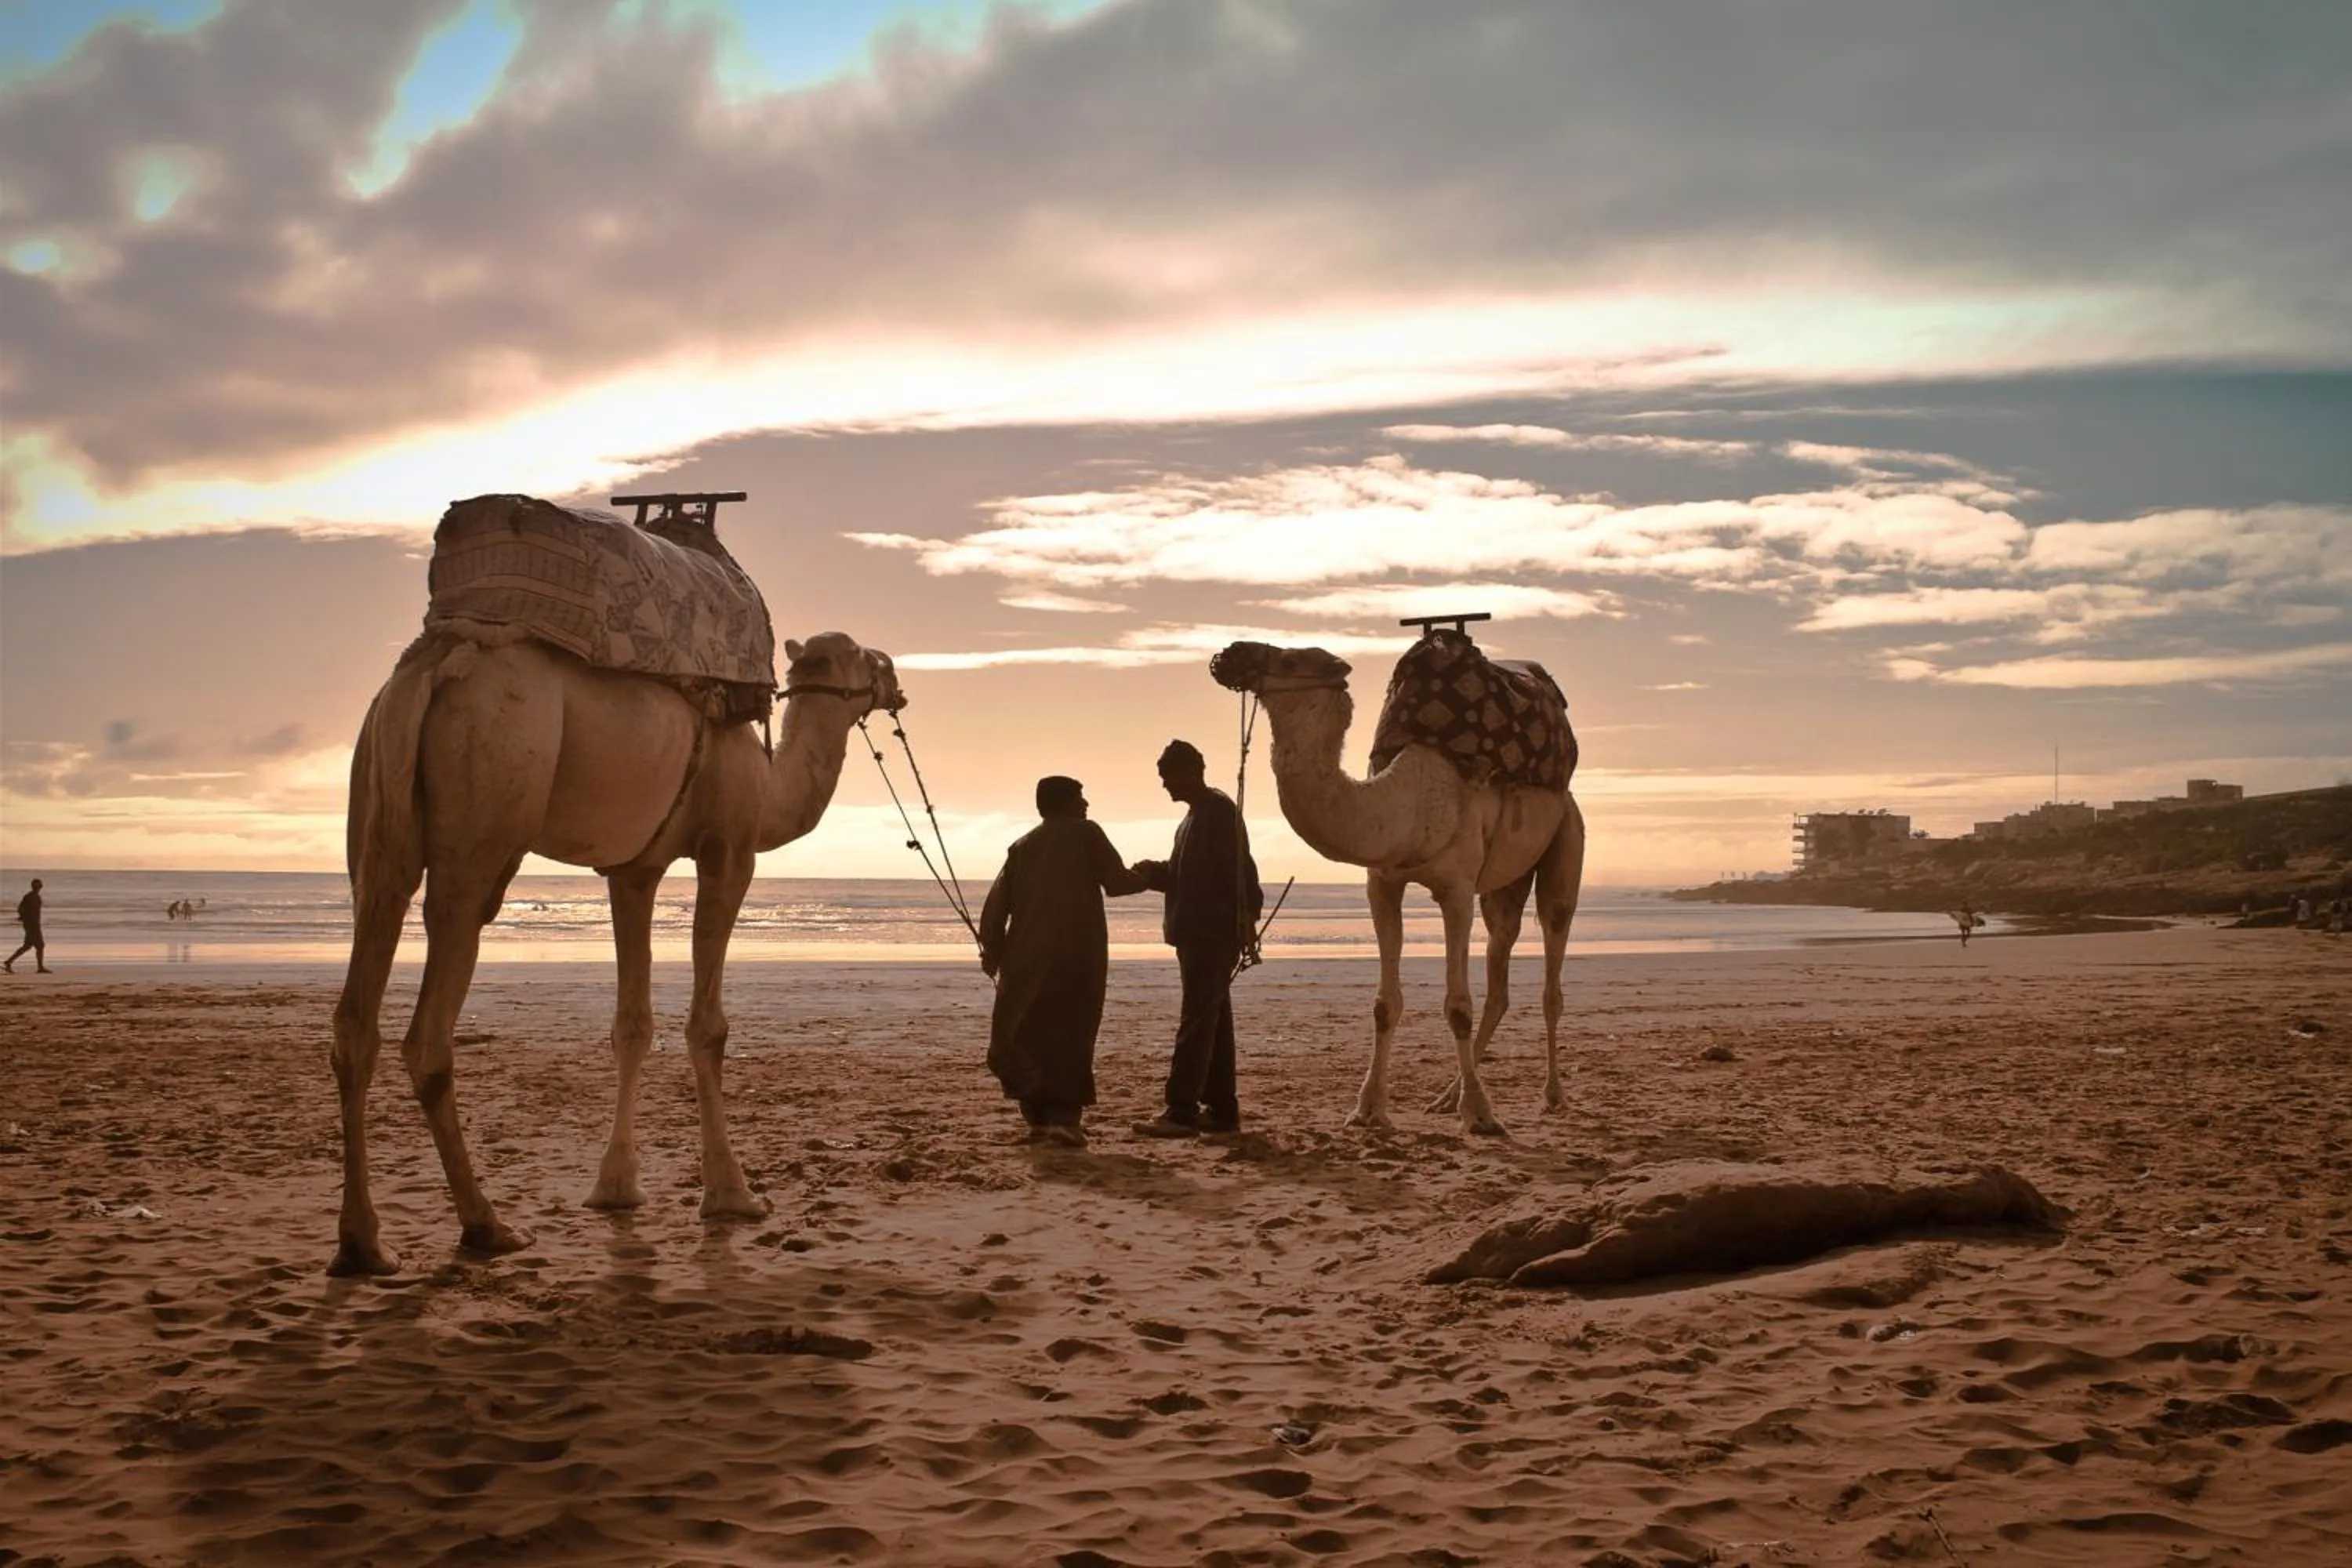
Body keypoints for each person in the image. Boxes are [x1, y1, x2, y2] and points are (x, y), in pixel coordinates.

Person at [977, 776, 1149, 1148]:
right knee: (1071, 1036)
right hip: (1075, 955)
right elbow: (1117, 882)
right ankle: (1065, 1123)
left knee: (1028, 1034)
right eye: (1080, 798)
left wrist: (991, 951)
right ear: (1065, 804)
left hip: (1023, 958)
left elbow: (995, 906)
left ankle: (1037, 1121)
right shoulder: (1087, 833)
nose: (1086, 804)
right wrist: (1154, 874)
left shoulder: (1021, 846)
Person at [1130, 740, 1262, 1140]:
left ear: (1190, 771)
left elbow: (1241, 871)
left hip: (1210, 933)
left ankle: (1181, 1110)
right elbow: (1186, 874)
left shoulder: (1218, 811)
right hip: (1196, 932)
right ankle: (1222, 1111)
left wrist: (1247, 921)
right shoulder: (1193, 817)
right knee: (1214, 1021)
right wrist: (1150, 873)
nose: (1165, 786)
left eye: (1167, 777)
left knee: (1197, 1021)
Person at [6, 878, 49, 974]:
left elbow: (22, 909)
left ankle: (9, 962)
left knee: (29, 946)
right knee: (39, 945)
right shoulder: (30, 897)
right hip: (32, 925)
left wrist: (22, 917)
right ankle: (40, 967)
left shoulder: (35, 897)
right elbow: (21, 908)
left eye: (38, 886)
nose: (37, 888)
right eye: (36, 886)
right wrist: (23, 917)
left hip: (33, 924)